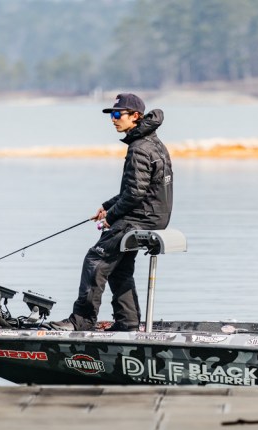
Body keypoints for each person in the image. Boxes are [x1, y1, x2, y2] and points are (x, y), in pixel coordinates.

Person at [52, 93, 173, 332]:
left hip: (139, 218)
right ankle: (128, 323)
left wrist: (111, 216)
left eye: (118, 114)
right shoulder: (153, 143)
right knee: (119, 269)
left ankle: (82, 321)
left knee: (95, 260)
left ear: (135, 116)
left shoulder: (139, 148)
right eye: (111, 115)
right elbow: (138, 190)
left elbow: (135, 195)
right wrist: (108, 206)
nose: (113, 119)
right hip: (152, 216)